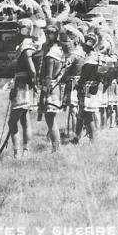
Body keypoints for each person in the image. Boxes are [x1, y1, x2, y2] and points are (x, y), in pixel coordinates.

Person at [8, 0, 45, 157]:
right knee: (25, 120)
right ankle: (26, 150)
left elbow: (31, 68)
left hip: (22, 86)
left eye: (18, 29)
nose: (16, 32)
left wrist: (34, 81)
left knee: (12, 121)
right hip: (26, 86)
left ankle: (18, 153)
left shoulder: (24, 45)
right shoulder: (30, 43)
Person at [39, 20, 65, 153]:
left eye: (49, 32)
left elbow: (48, 77)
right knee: (51, 119)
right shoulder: (59, 51)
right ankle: (56, 147)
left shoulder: (51, 55)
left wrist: (44, 93)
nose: (47, 34)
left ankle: (56, 148)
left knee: (50, 120)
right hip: (56, 88)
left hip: (50, 88)